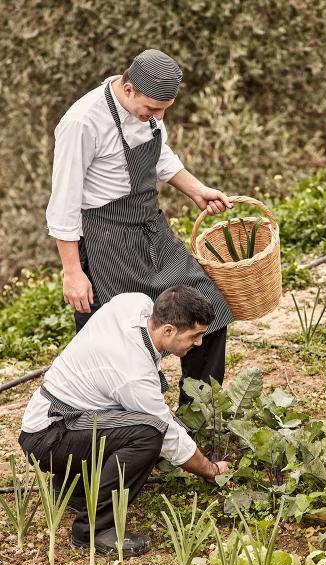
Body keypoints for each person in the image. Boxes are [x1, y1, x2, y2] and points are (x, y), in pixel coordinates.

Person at [46, 48, 233, 403]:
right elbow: (64, 203)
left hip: (151, 227)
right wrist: (72, 271)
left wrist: (197, 191)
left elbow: (162, 157)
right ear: (128, 88)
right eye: (153, 109)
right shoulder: (81, 123)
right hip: (107, 240)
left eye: (164, 110)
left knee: (210, 310)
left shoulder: (148, 111)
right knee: (119, 335)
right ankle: (119, 423)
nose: (158, 117)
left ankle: (201, 414)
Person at [19, 285, 230, 557]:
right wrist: (211, 470)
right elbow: (167, 435)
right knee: (148, 434)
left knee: (143, 423)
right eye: (195, 335)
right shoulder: (132, 373)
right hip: (49, 435)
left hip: (57, 419)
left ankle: (73, 490)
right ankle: (94, 530)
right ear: (168, 331)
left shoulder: (136, 304)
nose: (200, 343)